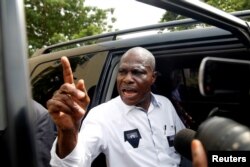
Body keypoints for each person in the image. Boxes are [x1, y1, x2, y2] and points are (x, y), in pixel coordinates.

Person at [47, 47, 186, 167]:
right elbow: (73, 164)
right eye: (122, 72)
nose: (127, 79)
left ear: (153, 77)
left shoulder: (165, 105)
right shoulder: (102, 115)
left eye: (137, 72)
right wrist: (68, 131)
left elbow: (184, 145)